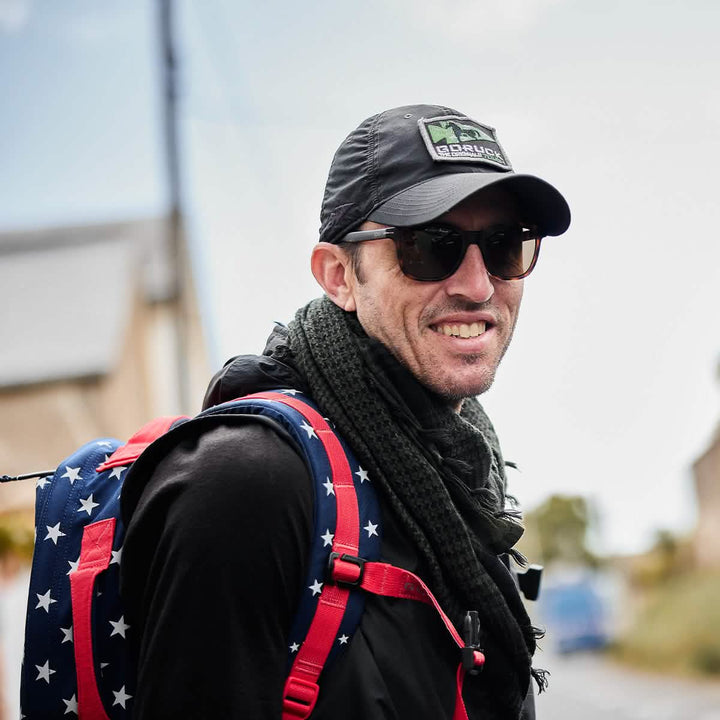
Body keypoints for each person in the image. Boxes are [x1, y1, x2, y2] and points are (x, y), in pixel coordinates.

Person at [121, 103, 570, 720]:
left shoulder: (456, 464)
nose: (478, 284)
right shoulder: (248, 479)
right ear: (339, 275)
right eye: (430, 245)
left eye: (503, 245)